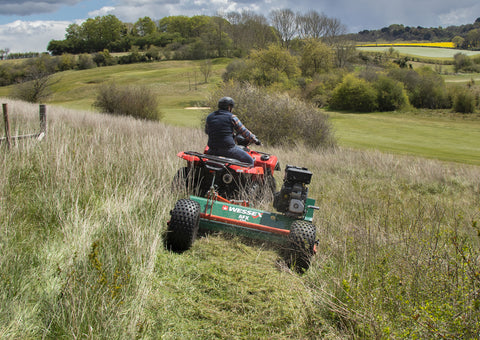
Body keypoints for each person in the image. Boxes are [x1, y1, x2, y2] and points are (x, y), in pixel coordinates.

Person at [205, 97, 260, 166]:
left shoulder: (210, 117)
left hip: (212, 149)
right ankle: (245, 177)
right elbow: (244, 131)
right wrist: (255, 140)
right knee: (250, 161)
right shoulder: (232, 117)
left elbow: (207, 131)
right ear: (229, 107)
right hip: (228, 149)